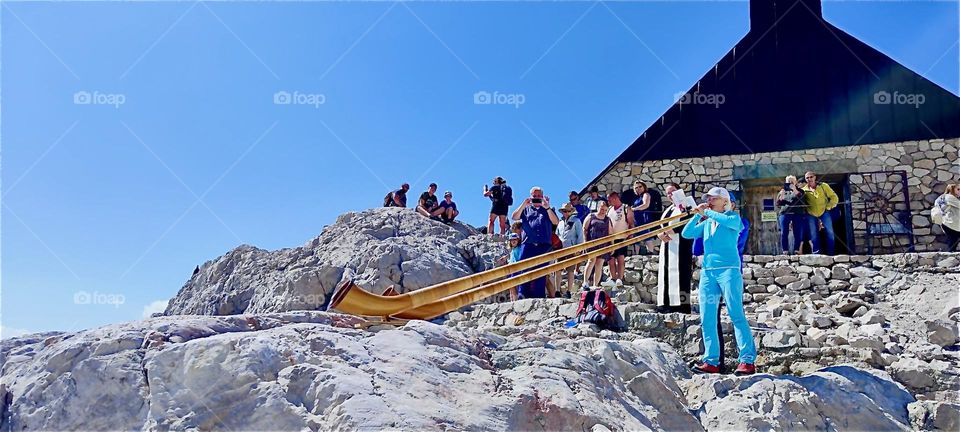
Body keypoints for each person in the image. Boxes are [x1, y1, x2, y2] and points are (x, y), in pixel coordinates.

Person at [682, 187, 756, 376]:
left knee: (736, 314)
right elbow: (687, 233)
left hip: (729, 271)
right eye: (708, 198)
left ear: (724, 201)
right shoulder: (708, 222)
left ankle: (747, 360)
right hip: (708, 272)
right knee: (707, 317)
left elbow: (724, 220)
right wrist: (696, 216)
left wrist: (706, 212)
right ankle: (711, 360)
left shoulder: (733, 218)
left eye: (713, 198)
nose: (709, 201)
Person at [511, 186, 560, 299]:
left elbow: (556, 221)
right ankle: (522, 296)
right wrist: (524, 204)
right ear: (530, 197)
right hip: (528, 245)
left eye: (539, 196)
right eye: (534, 196)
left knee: (540, 272)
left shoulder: (548, 209)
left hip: (544, 246)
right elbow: (514, 217)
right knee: (524, 271)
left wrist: (547, 208)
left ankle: (539, 297)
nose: (537, 198)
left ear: (542, 197)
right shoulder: (526, 209)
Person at [656, 183, 693, 314]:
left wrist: (674, 230)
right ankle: (665, 304)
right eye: (668, 193)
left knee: (681, 274)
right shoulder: (669, 209)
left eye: (673, 191)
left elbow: (690, 222)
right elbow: (661, 226)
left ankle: (681, 306)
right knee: (665, 274)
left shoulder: (687, 205)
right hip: (667, 246)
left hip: (681, 245)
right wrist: (660, 233)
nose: (670, 195)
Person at [801, 171, 839, 255]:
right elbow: (800, 201)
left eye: (811, 177)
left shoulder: (823, 186)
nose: (809, 179)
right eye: (807, 178)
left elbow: (834, 197)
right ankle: (816, 255)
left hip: (824, 212)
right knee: (814, 235)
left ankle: (831, 254)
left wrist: (828, 207)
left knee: (830, 233)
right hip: (811, 214)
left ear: (815, 177)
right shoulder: (804, 190)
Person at [602, 192, 634, 288]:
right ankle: (613, 277)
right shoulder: (610, 210)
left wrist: (630, 234)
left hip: (621, 237)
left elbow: (631, 222)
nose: (608, 201)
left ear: (615, 198)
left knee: (620, 258)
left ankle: (619, 278)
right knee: (610, 259)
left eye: (609, 199)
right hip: (611, 238)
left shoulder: (625, 208)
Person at [582, 200, 613, 288]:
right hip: (592, 243)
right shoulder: (591, 216)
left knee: (599, 264)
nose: (603, 211)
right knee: (591, 261)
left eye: (605, 209)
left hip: (603, 244)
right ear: (598, 207)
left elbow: (611, 233)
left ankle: (596, 285)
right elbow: (584, 228)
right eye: (601, 208)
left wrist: (612, 245)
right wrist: (585, 242)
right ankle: (585, 282)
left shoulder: (607, 219)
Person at [557, 203, 584, 298]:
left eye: (568, 211)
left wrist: (579, 248)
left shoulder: (576, 221)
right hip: (560, 249)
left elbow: (580, 235)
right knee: (558, 269)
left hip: (571, 248)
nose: (566, 213)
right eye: (564, 211)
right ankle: (557, 290)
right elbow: (557, 234)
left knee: (570, 270)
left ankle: (569, 290)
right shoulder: (560, 222)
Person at [776, 176, 806, 255]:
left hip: (797, 213)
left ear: (795, 182)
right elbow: (778, 204)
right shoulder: (782, 191)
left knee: (797, 232)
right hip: (785, 213)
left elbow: (802, 200)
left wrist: (794, 190)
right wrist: (781, 195)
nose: (791, 183)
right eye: (789, 181)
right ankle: (785, 250)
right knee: (784, 232)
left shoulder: (800, 191)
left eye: (792, 181)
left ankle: (796, 250)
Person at [629, 181, 660, 254]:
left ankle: (651, 252)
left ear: (644, 187)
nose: (638, 188)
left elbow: (646, 205)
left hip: (644, 218)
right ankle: (636, 254)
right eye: (636, 187)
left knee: (647, 236)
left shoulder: (646, 194)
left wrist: (634, 209)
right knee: (637, 237)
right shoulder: (636, 198)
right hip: (637, 219)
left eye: (640, 186)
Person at [934, 184, 960, 251]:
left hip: (945, 223)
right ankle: (951, 256)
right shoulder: (950, 197)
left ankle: (951, 256)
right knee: (953, 241)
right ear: (952, 189)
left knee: (953, 240)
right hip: (952, 223)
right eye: (958, 189)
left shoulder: (941, 197)